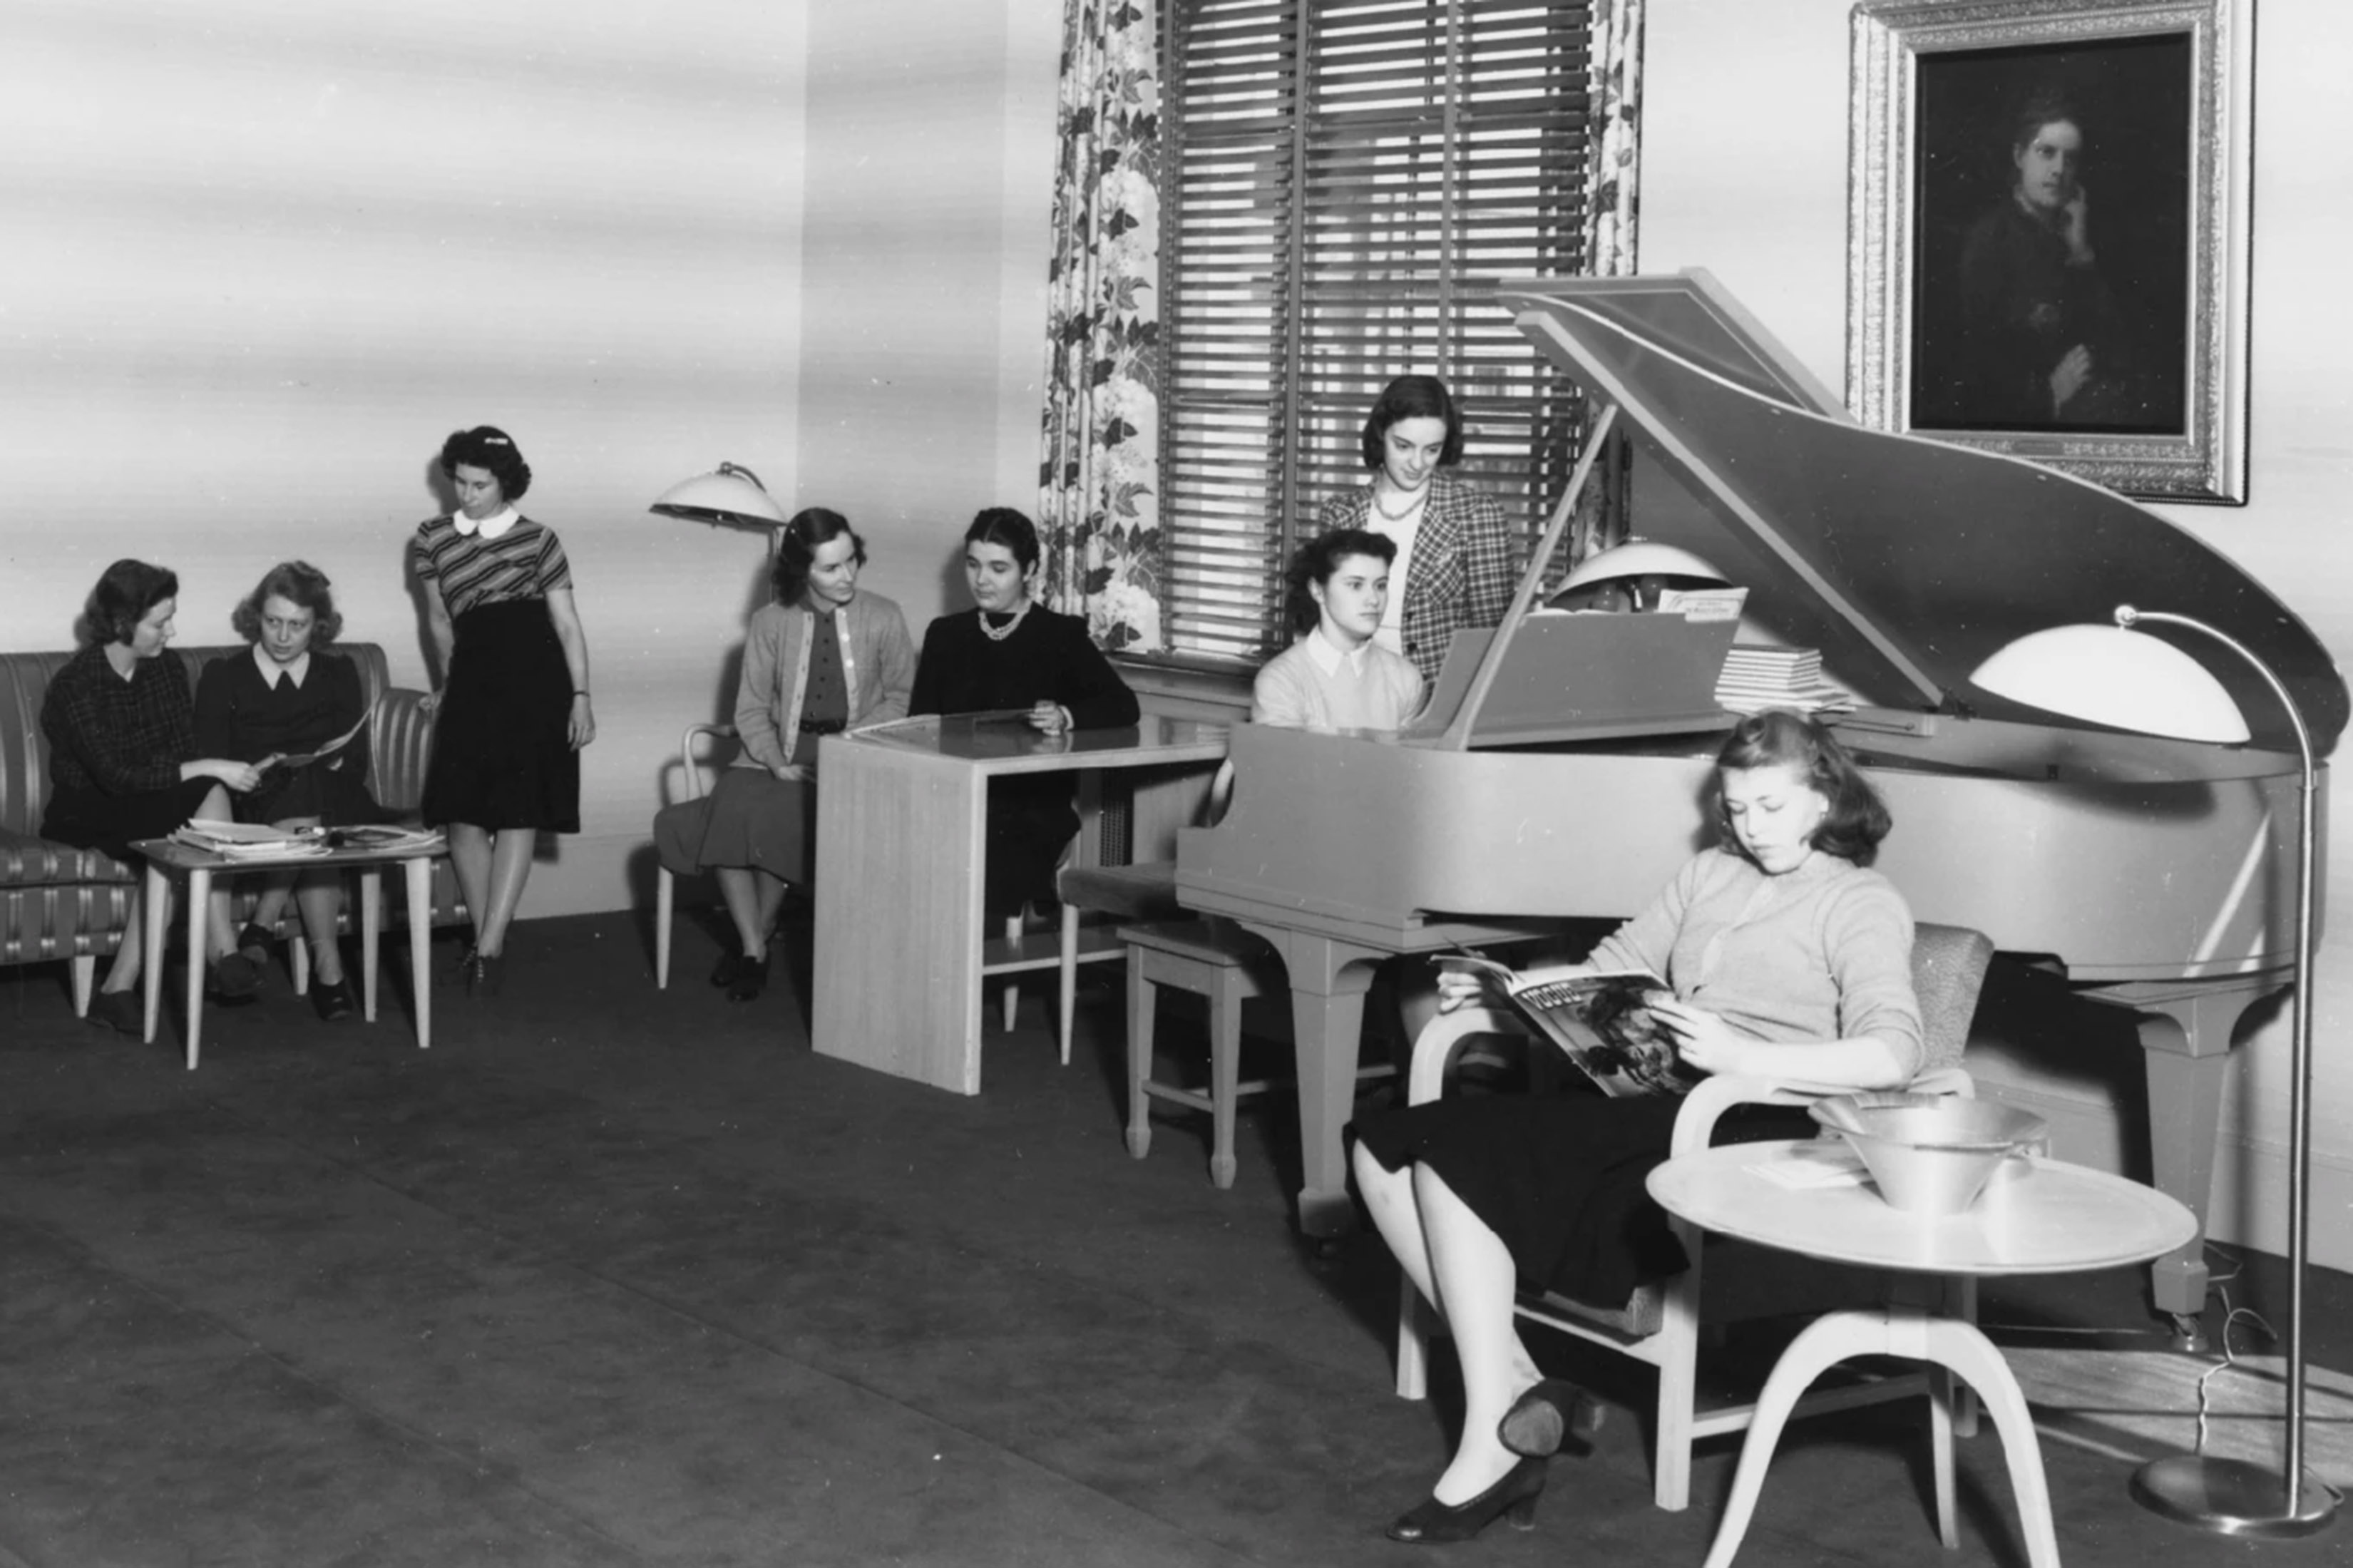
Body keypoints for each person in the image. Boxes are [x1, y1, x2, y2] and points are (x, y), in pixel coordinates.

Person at [1348, 709, 1935, 1544]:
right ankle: (1518, 1391)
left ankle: (1495, 1438)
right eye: (1735, 809)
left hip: (1750, 1121)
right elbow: (1607, 973)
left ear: (1824, 798)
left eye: (1770, 807)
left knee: (1450, 1151)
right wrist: (1508, 994)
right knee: (1384, 1148)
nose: (1748, 827)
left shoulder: (1860, 901)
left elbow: (1894, 1052)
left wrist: (1742, 1054)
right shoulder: (1708, 876)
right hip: (1656, 1104)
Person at [652, 508, 918, 1002]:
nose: (848, 575)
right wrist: (777, 762)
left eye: (851, 561)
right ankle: (755, 946)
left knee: (782, 814)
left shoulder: (884, 615)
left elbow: (900, 697)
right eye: (830, 567)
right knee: (730, 807)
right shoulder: (769, 622)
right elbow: (750, 708)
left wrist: (844, 747)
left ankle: (760, 929)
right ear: (802, 572)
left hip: (852, 753)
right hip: (770, 754)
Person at [40, 560, 267, 1033]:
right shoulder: (75, 683)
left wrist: (210, 770)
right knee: (184, 813)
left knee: (204, 794)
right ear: (123, 624)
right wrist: (208, 766)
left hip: (149, 798)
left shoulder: (166, 668)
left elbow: (179, 753)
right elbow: (116, 777)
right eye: (160, 622)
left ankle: (132, 985)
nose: (172, 630)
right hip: (88, 806)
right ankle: (214, 953)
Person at [413, 426, 594, 997]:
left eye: (481, 484)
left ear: (506, 482)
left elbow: (565, 624)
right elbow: (439, 621)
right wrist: (447, 685)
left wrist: (583, 696)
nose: (466, 494)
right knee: (462, 813)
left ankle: (489, 942)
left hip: (536, 680)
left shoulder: (540, 539)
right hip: (472, 677)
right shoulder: (430, 538)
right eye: (460, 482)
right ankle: (485, 930)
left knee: (518, 809)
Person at [908, 507, 1139, 921]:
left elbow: (1123, 704)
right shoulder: (945, 635)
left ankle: (979, 977)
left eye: (999, 568)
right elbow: (921, 725)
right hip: (955, 796)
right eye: (974, 565)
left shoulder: (1059, 635)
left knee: (988, 855)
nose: (982, 580)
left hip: (1031, 805)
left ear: (1030, 568)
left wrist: (1066, 715)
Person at [193, 561, 379, 1021]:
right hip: (251, 802)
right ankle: (329, 970)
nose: (282, 636)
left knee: (310, 785)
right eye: (273, 621)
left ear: (318, 626)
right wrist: (255, 769)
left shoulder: (339, 672)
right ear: (256, 616)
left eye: (297, 625)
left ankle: (261, 923)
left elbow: (355, 762)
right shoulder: (225, 674)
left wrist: (331, 759)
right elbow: (209, 759)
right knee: (305, 797)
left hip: (330, 796)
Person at [1949, 97, 2138, 428]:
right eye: (2046, 152)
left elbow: (2116, 350)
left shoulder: (2075, 234)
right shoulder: (1990, 240)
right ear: (2019, 156)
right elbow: (1977, 363)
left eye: (2071, 159)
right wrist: (2048, 393)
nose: (2059, 170)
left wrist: (2080, 251)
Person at [1315, 375, 1514, 686]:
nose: (1417, 463)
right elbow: (1326, 626)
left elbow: (1491, 637)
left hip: (1436, 697)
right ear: (1381, 435)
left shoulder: (1475, 514)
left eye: (1432, 450)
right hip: (1350, 690)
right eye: (1404, 446)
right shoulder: (1339, 514)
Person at [1252, 528, 1425, 732]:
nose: (1373, 600)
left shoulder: (1405, 678)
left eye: (1380, 586)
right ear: (1317, 591)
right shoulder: (1280, 681)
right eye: (1355, 585)